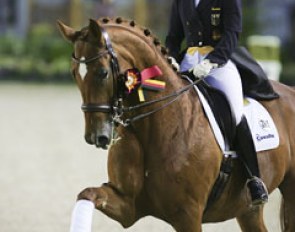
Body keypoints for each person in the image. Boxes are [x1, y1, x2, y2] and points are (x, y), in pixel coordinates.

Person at [165, 0, 268, 205]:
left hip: (220, 62)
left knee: (235, 111)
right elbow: (173, 36)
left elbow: (232, 34)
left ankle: (254, 179)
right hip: (188, 61)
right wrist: (171, 58)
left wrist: (212, 61)